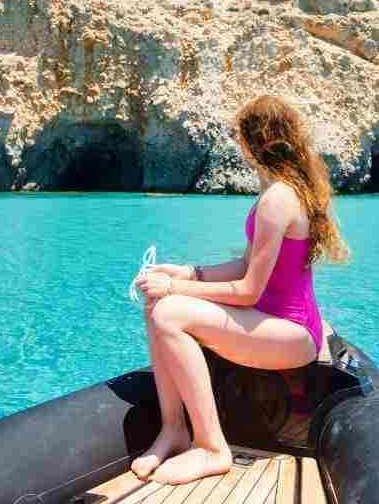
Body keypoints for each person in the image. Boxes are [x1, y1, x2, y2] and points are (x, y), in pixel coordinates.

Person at [131, 93, 350, 485]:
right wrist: (186, 271)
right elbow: (246, 266)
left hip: (291, 333)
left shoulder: (278, 199)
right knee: (156, 305)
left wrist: (175, 288)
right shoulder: (278, 192)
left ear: (254, 142)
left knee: (168, 311)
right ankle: (173, 429)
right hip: (272, 322)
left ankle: (212, 448)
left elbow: (248, 290)